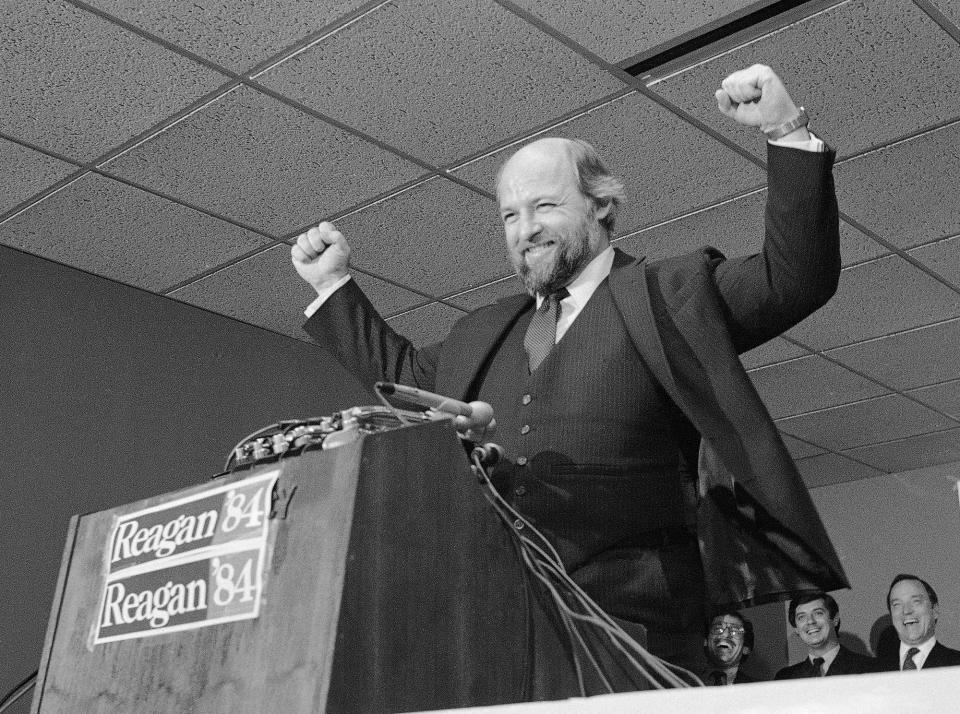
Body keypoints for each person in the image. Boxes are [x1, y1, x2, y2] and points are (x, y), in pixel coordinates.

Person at [291, 64, 847, 690]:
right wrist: (333, 286)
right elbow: (402, 379)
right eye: (508, 215)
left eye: (544, 206)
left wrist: (784, 130)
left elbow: (792, 278)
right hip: (499, 631)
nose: (524, 230)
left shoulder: (669, 294)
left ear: (602, 205)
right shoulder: (482, 332)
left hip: (641, 636)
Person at [774, 592, 877, 678]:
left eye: (818, 613)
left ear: (835, 619)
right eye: (801, 617)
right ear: (796, 628)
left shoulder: (870, 669)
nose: (810, 621)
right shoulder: (785, 677)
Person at [879, 574, 960, 671]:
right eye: (897, 604)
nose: (907, 611)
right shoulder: (874, 671)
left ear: (934, 610)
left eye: (916, 601)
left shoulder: (956, 664)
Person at [703, 611, 757, 685]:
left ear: (746, 648)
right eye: (718, 629)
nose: (724, 635)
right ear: (706, 641)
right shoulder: (685, 684)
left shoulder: (759, 689)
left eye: (735, 631)